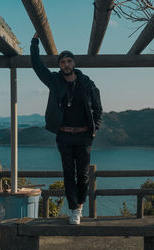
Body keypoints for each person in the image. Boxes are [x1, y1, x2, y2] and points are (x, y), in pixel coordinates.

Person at [30, 33, 102, 224]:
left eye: (69, 61)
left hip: (84, 136)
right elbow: (37, 66)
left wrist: (94, 130)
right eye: (62, 62)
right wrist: (35, 42)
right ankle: (74, 210)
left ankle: (79, 205)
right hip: (63, 136)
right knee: (68, 173)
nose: (66, 65)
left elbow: (98, 108)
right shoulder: (54, 81)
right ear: (59, 65)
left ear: (74, 63)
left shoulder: (87, 83)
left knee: (84, 174)